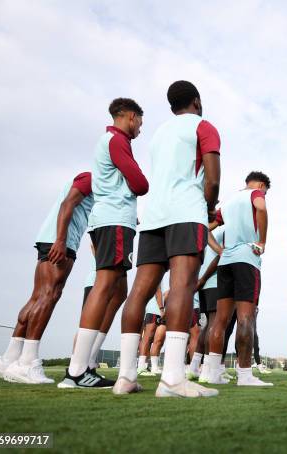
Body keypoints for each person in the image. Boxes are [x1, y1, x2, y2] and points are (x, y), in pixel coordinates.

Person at [112, 80, 221, 398]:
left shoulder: (159, 133)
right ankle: (173, 379)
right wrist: (209, 207)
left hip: (154, 217)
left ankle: (125, 377)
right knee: (184, 286)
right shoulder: (204, 126)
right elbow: (212, 180)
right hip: (186, 213)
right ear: (197, 101)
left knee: (139, 292)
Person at [59, 98, 148, 389]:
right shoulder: (116, 140)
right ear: (131, 117)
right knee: (105, 285)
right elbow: (140, 183)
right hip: (114, 219)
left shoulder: (110, 141)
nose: (140, 128)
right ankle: (77, 370)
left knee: (118, 288)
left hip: (108, 220)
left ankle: (87, 363)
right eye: (140, 121)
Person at [0, 172, 93, 384]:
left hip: (51, 239)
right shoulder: (92, 177)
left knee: (37, 297)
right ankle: (28, 362)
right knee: (49, 295)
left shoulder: (98, 185)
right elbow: (66, 205)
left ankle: (9, 358)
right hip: (61, 242)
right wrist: (61, 240)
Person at [205, 171, 271, 386]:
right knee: (246, 319)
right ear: (261, 185)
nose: (264, 195)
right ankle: (245, 376)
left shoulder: (229, 201)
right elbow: (261, 207)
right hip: (246, 260)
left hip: (226, 263)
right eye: (265, 192)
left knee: (220, 322)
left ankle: (213, 373)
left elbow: (206, 230)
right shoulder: (255, 194)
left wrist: (219, 250)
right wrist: (262, 241)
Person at [73, 246, 128, 379]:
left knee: (99, 323)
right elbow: (94, 244)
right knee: (86, 325)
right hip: (97, 281)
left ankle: (89, 363)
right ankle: (75, 366)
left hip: (107, 280)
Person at [189, 228, 224, 381]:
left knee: (208, 325)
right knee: (214, 325)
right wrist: (203, 279)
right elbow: (221, 257)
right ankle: (207, 371)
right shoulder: (226, 231)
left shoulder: (208, 232)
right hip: (213, 280)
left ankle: (194, 367)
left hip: (204, 283)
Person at [137, 285, 164, 376]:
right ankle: (141, 367)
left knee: (158, 340)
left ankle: (154, 367)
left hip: (157, 311)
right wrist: (161, 309)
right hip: (154, 310)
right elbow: (157, 290)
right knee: (147, 338)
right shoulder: (157, 272)